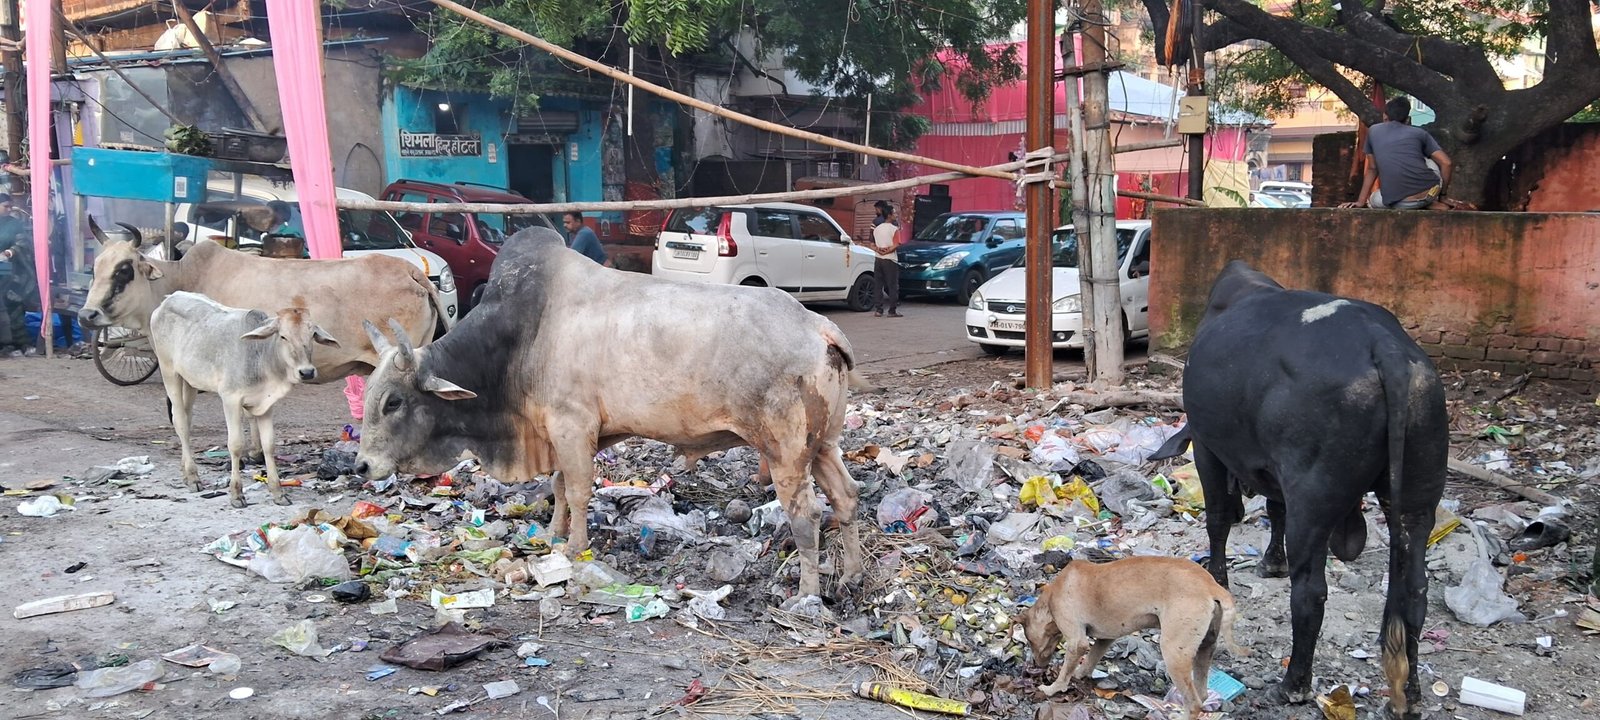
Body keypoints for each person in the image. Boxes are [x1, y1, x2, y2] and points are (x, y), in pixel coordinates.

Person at [1342, 97, 1463, 210]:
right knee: (1427, 158)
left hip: (1399, 202)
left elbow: (1372, 169)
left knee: (1374, 199)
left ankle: (1420, 203)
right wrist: (1443, 195)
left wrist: (1360, 202)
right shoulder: (1419, 133)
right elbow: (1447, 163)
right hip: (1430, 193)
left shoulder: (1373, 131)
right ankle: (1431, 202)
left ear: (1385, 116)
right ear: (1407, 119)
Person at [872, 205, 902, 318]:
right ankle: (892, 310)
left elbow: (872, 244)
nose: (896, 215)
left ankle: (878, 310)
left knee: (878, 284)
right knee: (892, 285)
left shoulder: (877, 228)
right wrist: (887, 251)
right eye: (894, 213)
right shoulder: (894, 229)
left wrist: (879, 250)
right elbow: (896, 244)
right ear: (889, 215)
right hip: (890, 260)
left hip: (878, 259)